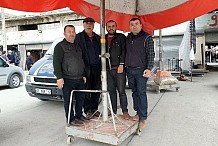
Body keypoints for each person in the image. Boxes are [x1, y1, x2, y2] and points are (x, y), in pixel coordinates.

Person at [53, 25, 88, 126]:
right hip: (67, 79)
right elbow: (56, 63)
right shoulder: (60, 46)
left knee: (80, 99)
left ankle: (79, 116)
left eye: (73, 32)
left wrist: (84, 74)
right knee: (68, 101)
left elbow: (81, 61)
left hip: (79, 78)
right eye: (69, 32)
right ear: (64, 34)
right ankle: (70, 119)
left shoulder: (78, 45)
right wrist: (59, 77)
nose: (71, 34)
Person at [125, 18, 155, 129]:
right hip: (130, 70)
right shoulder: (128, 38)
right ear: (129, 27)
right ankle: (138, 113)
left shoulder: (147, 38)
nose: (134, 26)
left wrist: (149, 68)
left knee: (141, 92)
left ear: (141, 25)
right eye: (132, 24)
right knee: (134, 92)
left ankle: (143, 117)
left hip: (141, 70)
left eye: (136, 24)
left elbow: (151, 54)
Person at [76, 17, 101, 119]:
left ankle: (94, 109)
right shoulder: (78, 38)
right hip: (85, 68)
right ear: (83, 25)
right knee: (86, 90)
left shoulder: (98, 38)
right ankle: (87, 110)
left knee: (96, 89)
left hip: (97, 67)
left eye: (91, 23)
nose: (89, 25)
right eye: (87, 23)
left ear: (94, 25)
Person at [105, 20, 130, 119]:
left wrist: (122, 64)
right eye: (109, 26)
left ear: (116, 27)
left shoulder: (121, 37)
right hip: (108, 69)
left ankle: (125, 111)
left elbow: (124, 51)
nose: (111, 28)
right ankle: (113, 110)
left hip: (119, 68)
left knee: (121, 91)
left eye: (113, 26)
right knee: (111, 91)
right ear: (106, 28)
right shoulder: (103, 39)